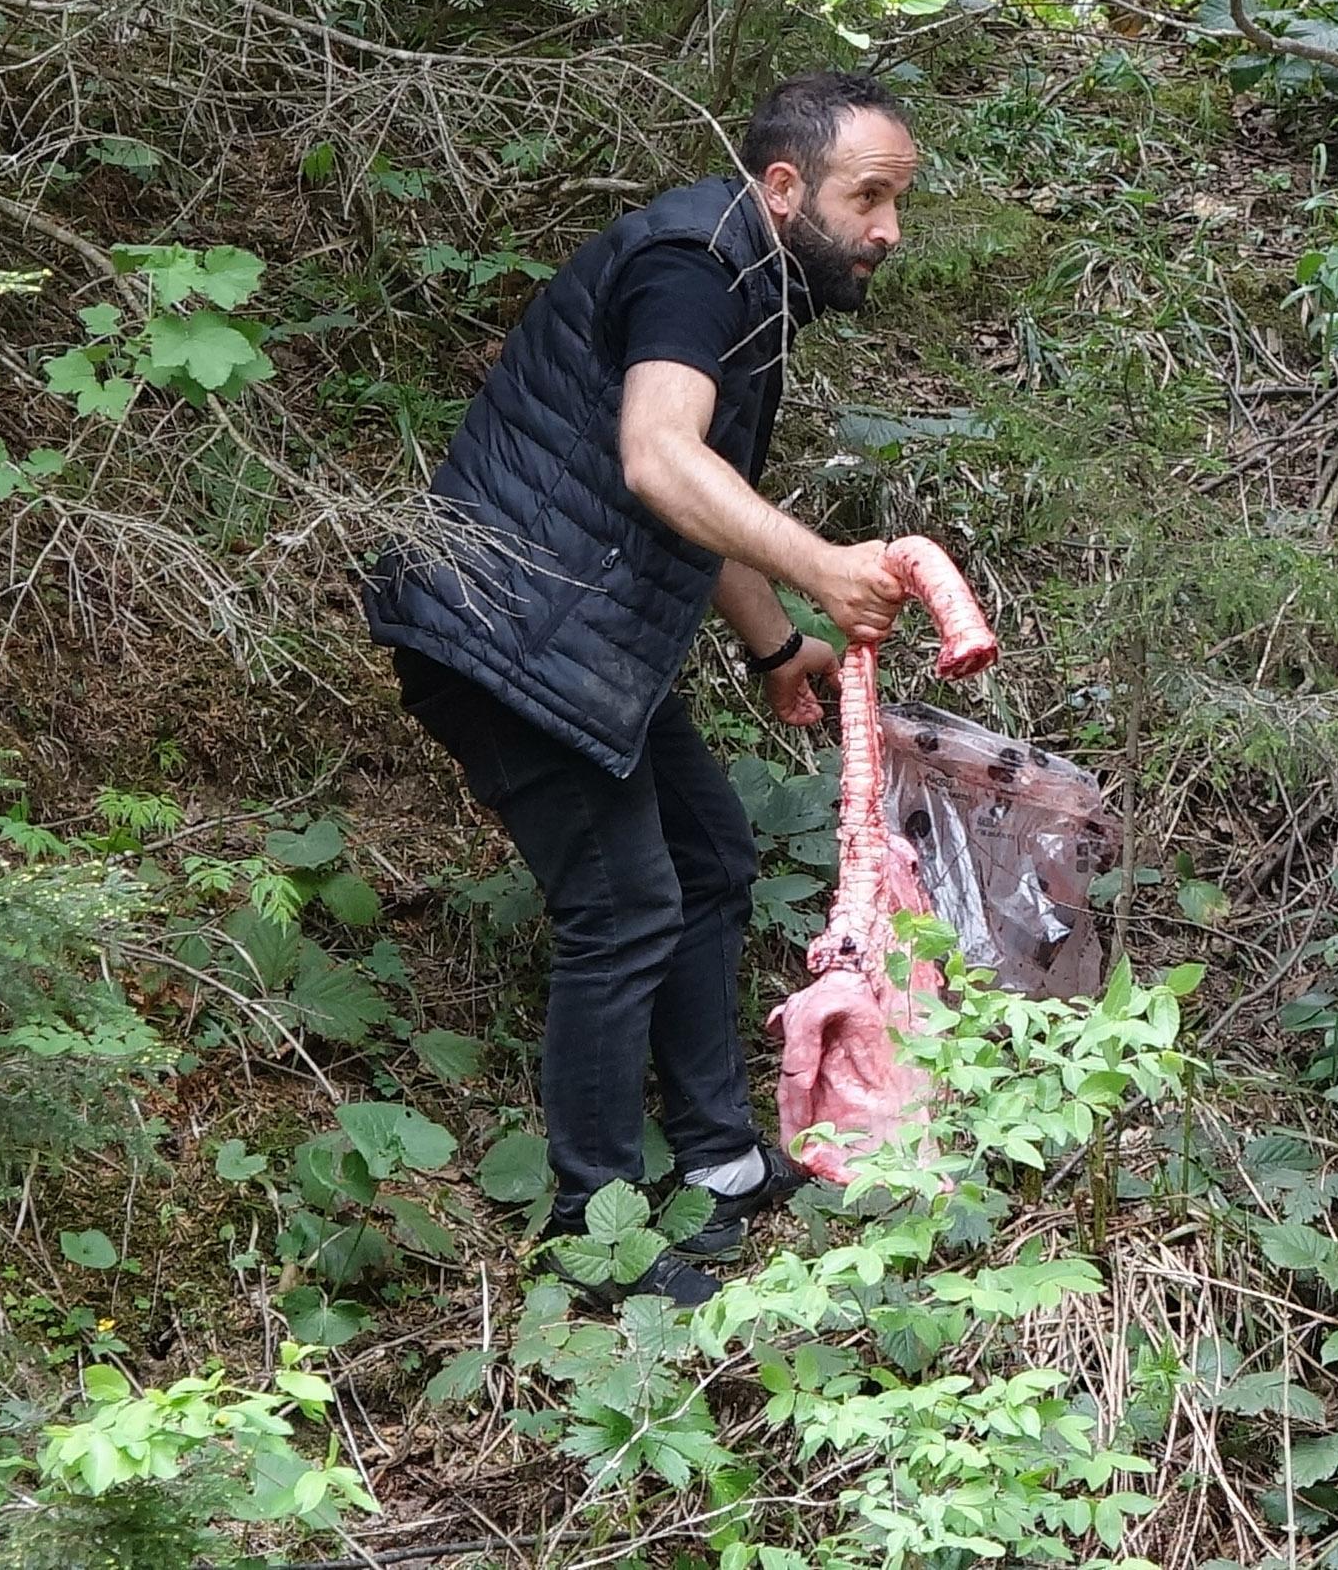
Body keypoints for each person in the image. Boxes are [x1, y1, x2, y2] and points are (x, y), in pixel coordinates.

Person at [363, 71, 921, 1305]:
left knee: (712, 858)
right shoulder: (693, 269)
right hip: (501, 634)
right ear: (785, 189)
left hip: (574, 636)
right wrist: (827, 567)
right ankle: (590, 1236)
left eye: (898, 201)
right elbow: (658, 455)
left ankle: (720, 1161)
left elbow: (693, 498)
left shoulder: (747, 281)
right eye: (867, 197)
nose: (888, 229)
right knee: (621, 910)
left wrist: (776, 648)